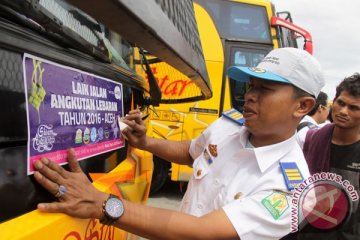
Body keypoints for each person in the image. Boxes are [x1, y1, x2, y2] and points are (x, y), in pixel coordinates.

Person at [33, 47, 324, 240]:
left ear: (303, 106)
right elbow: (190, 152)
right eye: (250, 86)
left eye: (265, 89)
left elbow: (199, 232)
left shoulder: (289, 189)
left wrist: (102, 204)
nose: (249, 95)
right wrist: (146, 142)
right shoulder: (230, 125)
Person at [296, 73, 360, 239]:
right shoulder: (310, 139)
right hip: (307, 233)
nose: (343, 111)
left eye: (353, 108)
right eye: (340, 103)